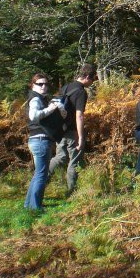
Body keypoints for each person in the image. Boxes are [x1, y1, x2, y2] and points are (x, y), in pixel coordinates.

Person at [49, 64, 96, 196]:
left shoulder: (66, 87)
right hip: (72, 132)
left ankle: (41, 179)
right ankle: (72, 191)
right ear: (87, 76)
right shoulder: (81, 92)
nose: (92, 82)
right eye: (92, 79)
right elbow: (79, 115)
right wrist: (80, 137)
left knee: (60, 157)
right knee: (74, 160)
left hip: (61, 129)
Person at [25, 73, 65, 210]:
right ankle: (36, 207)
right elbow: (34, 116)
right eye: (40, 84)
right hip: (40, 140)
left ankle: (29, 205)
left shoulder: (40, 98)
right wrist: (51, 108)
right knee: (42, 174)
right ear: (33, 85)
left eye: (46, 84)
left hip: (37, 140)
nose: (43, 86)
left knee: (38, 173)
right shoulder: (35, 99)